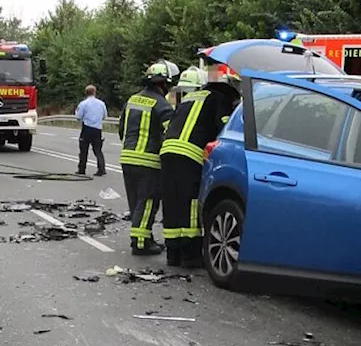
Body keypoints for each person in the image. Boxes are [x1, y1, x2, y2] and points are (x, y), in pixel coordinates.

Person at [159, 66, 239, 268]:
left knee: (172, 202)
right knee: (190, 204)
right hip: (189, 154)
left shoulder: (190, 97)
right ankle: (190, 255)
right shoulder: (218, 99)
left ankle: (173, 254)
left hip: (168, 151)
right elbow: (225, 128)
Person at [119, 60, 178, 255]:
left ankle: (144, 237)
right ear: (164, 84)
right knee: (148, 202)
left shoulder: (132, 100)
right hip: (148, 161)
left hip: (127, 158)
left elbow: (121, 129)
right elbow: (168, 135)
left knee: (136, 202)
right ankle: (141, 243)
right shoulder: (163, 106)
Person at [75, 85, 108, 177]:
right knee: (98, 150)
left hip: (87, 128)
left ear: (86, 93)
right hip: (98, 129)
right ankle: (101, 169)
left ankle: (82, 169)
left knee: (83, 150)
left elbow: (78, 117)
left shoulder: (83, 104)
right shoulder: (101, 104)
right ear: (95, 92)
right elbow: (105, 116)